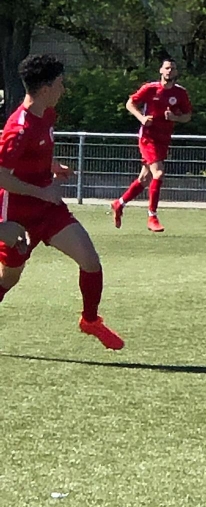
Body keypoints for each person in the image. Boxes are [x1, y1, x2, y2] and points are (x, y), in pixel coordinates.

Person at [0, 54, 124, 350]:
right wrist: (41, 191)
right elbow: (2, 176)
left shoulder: (47, 114)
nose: (63, 89)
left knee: (90, 261)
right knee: (9, 279)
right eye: (60, 84)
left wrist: (52, 166)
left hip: (48, 209)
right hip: (17, 214)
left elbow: (34, 154)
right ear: (45, 89)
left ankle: (90, 320)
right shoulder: (19, 128)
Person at [111, 58, 192, 233]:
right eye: (167, 68)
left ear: (176, 72)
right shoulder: (150, 88)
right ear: (161, 70)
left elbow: (187, 116)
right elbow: (130, 103)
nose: (169, 71)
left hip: (164, 139)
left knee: (144, 179)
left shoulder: (180, 93)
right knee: (159, 173)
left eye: (173, 68)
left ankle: (119, 203)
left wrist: (175, 118)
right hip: (148, 137)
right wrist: (141, 118)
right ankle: (152, 216)